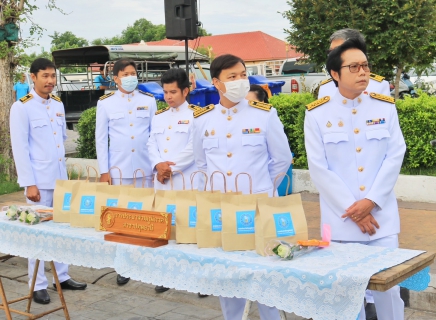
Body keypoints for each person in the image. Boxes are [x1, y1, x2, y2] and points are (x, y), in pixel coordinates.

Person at [304, 38, 406, 320]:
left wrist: (371, 201)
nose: (363, 72)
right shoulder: (317, 114)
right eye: (354, 67)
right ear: (335, 74)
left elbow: (395, 154)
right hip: (342, 223)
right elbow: (319, 168)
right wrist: (355, 210)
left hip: (381, 221)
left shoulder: (384, 107)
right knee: (346, 297)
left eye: (365, 65)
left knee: (390, 293)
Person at [192, 54, 292, 320]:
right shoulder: (202, 120)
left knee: (267, 279)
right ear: (216, 83)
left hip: (259, 209)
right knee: (228, 280)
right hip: (222, 212)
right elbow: (201, 166)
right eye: (232, 77)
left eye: (242, 75)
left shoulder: (265, 115)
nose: (240, 81)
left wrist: (263, 190)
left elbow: (281, 160)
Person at [9, 58, 87, 305]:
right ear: (33, 77)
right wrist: (29, 183)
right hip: (39, 182)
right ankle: (38, 283)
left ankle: (61, 276)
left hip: (60, 179)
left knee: (62, 228)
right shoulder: (22, 107)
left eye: (53, 76)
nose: (50, 81)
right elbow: (20, 148)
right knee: (37, 233)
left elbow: (60, 140)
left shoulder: (57, 104)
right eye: (45, 76)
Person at [95, 58, 157, 285]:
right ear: (116, 78)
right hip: (119, 169)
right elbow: (101, 140)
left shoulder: (148, 101)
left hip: (144, 167)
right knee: (121, 218)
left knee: (145, 215)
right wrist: (104, 171)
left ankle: (145, 261)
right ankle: (123, 266)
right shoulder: (106, 103)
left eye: (133, 73)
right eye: (126, 74)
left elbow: (154, 135)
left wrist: (156, 164)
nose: (131, 77)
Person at [147, 68, 206, 295]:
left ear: (185, 90)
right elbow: (151, 144)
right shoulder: (159, 116)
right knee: (166, 229)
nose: (168, 97)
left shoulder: (197, 115)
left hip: (186, 180)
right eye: (165, 92)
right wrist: (157, 166)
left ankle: (199, 279)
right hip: (162, 181)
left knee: (191, 229)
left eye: (173, 92)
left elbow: (194, 149)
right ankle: (167, 275)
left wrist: (169, 168)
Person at [318, 28, 390, 99]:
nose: (333, 56)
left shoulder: (379, 86)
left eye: (338, 51)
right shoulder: (325, 88)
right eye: (330, 52)